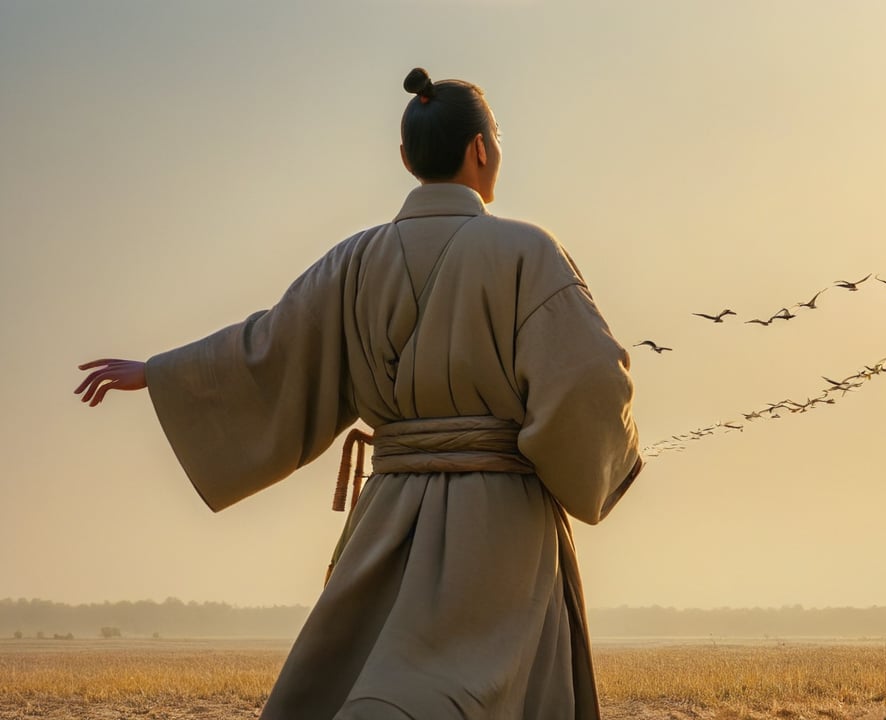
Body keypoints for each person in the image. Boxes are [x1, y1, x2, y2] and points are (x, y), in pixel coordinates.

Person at [74, 67, 642, 720]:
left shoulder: (355, 262)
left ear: (406, 158)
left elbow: (271, 348)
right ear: (483, 149)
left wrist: (161, 372)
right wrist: (581, 459)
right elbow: (591, 380)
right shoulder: (528, 253)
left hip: (390, 518)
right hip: (501, 525)